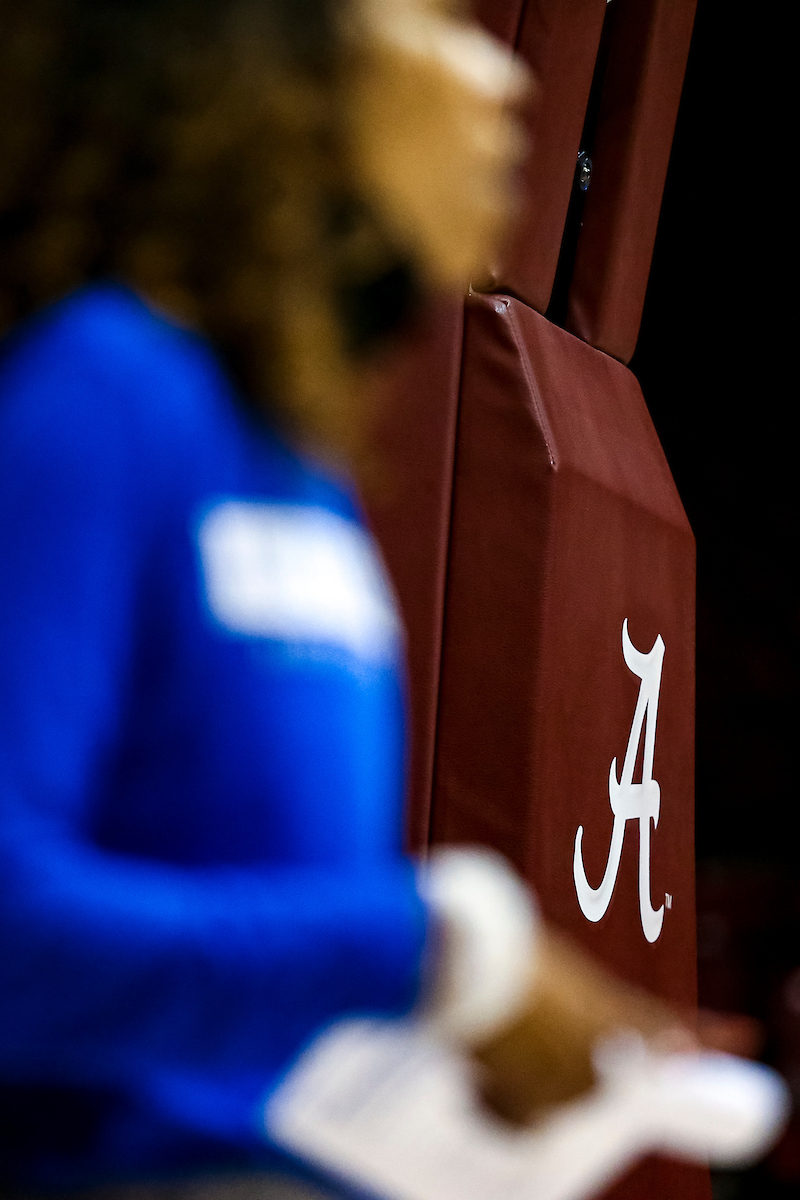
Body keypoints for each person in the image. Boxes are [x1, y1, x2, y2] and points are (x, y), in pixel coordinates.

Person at [0, 2, 692, 1197]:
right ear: (260, 68)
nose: (503, 81)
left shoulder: (296, 457)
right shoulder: (96, 395)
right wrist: (434, 949)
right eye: (429, 16)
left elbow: (253, 944)